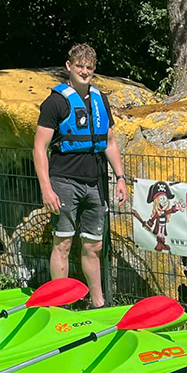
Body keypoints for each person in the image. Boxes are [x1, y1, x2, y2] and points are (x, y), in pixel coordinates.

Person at [33, 43, 128, 308]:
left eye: (89, 67)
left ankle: (98, 304)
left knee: (93, 246)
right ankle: (59, 303)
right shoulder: (55, 102)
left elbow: (109, 141)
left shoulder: (100, 100)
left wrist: (120, 178)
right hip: (63, 181)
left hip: (95, 183)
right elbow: (39, 148)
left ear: (93, 70)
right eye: (80, 67)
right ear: (69, 67)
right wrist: (46, 189)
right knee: (62, 243)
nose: (84, 72)